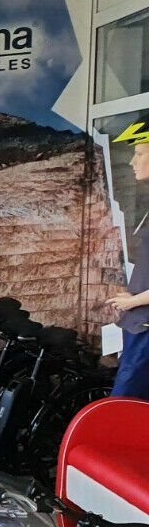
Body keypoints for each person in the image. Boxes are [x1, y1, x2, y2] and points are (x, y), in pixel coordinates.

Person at [107, 141, 149, 399]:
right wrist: (133, 296)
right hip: (138, 323)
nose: (132, 162)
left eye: (140, 153)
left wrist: (135, 300)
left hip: (145, 327)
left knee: (124, 404)